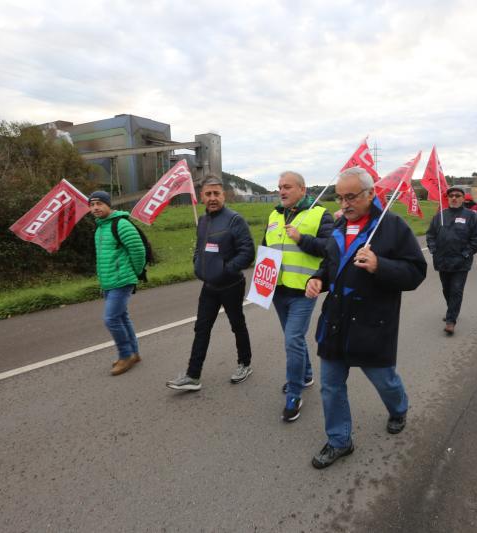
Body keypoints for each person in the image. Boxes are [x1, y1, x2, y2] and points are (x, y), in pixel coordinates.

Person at [305, 167, 427, 468]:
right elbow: (332, 264)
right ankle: (339, 440)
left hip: (372, 324)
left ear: (371, 194)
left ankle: (399, 409)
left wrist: (379, 266)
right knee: (331, 386)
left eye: (351, 197)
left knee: (384, 380)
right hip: (335, 322)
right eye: (340, 197)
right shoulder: (336, 227)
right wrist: (318, 278)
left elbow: (416, 272)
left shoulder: (392, 226)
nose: (344, 204)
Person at [167, 177, 256, 391]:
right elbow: (200, 247)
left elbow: (248, 253)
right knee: (202, 328)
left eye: (216, 193)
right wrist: (198, 263)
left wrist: (225, 270)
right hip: (209, 287)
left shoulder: (235, 220)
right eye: (208, 194)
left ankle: (244, 363)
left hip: (231, 285)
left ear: (223, 195)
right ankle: (193, 375)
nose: (213, 198)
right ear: (202, 197)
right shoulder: (204, 221)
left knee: (237, 325)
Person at [264, 170, 333, 422]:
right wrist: (262, 282)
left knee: (293, 339)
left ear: (302, 190)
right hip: (278, 291)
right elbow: (266, 248)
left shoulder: (320, 214)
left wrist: (302, 239)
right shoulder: (274, 214)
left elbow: (330, 249)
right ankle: (305, 375)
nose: (281, 191)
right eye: (280, 186)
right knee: (292, 337)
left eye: (287, 187)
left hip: (304, 290)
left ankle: (294, 392)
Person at [89, 190, 146, 376]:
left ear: (108, 205)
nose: (95, 207)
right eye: (92, 204)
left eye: (99, 203)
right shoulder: (100, 228)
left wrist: (134, 273)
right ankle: (134, 353)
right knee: (121, 317)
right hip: (109, 281)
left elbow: (138, 251)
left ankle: (125, 355)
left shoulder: (120, 224)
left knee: (111, 319)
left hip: (122, 280)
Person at [426, 186, 477, 334]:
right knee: (446, 289)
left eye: (457, 195)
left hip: (461, 261)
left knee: (456, 290)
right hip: (442, 260)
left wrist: (467, 253)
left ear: (463, 198)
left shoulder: (471, 216)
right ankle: (452, 310)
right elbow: (430, 235)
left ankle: (451, 320)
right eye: (451, 195)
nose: (454, 198)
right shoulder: (439, 216)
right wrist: (434, 250)